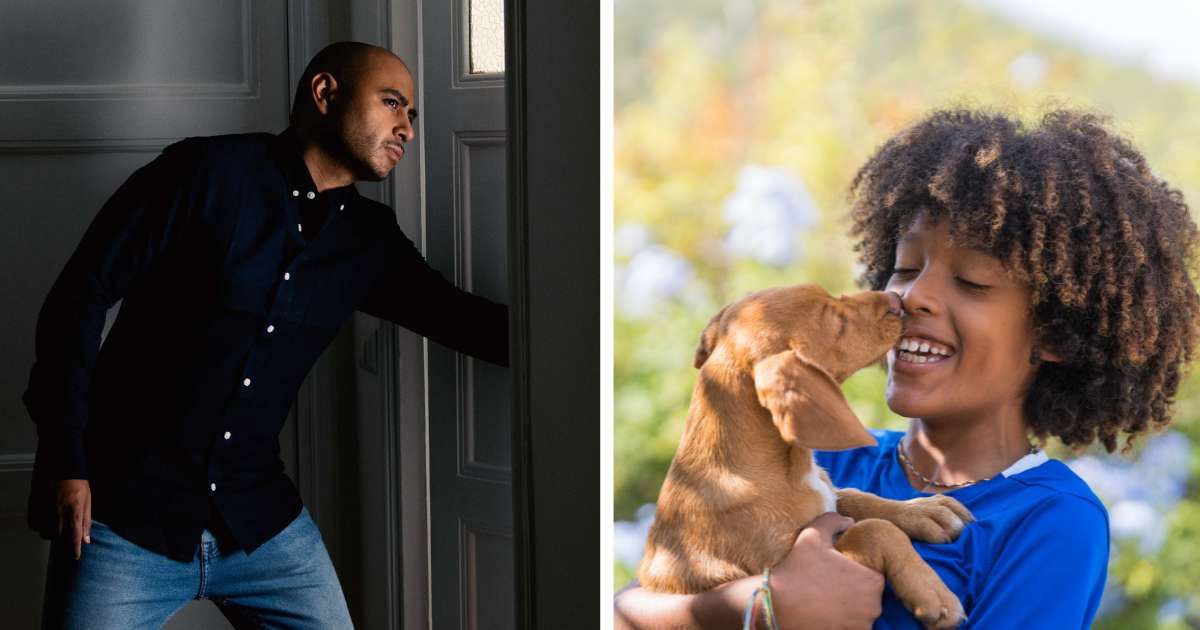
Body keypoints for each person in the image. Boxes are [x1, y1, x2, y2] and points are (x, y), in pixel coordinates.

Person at [614, 108, 1200, 628]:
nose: (909, 297)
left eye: (971, 281)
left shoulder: (1052, 520)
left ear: (1056, 335)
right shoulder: (821, 453)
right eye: (903, 268)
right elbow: (629, 607)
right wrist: (759, 608)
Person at [24, 41, 509, 629]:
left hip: (260, 526)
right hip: (121, 522)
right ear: (325, 93)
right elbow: (77, 300)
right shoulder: (201, 174)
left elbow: (461, 319)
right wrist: (66, 462)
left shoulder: (369, 241)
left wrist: (582, 336)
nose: (406, 126)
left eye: (412, 115)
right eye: (391, 103)